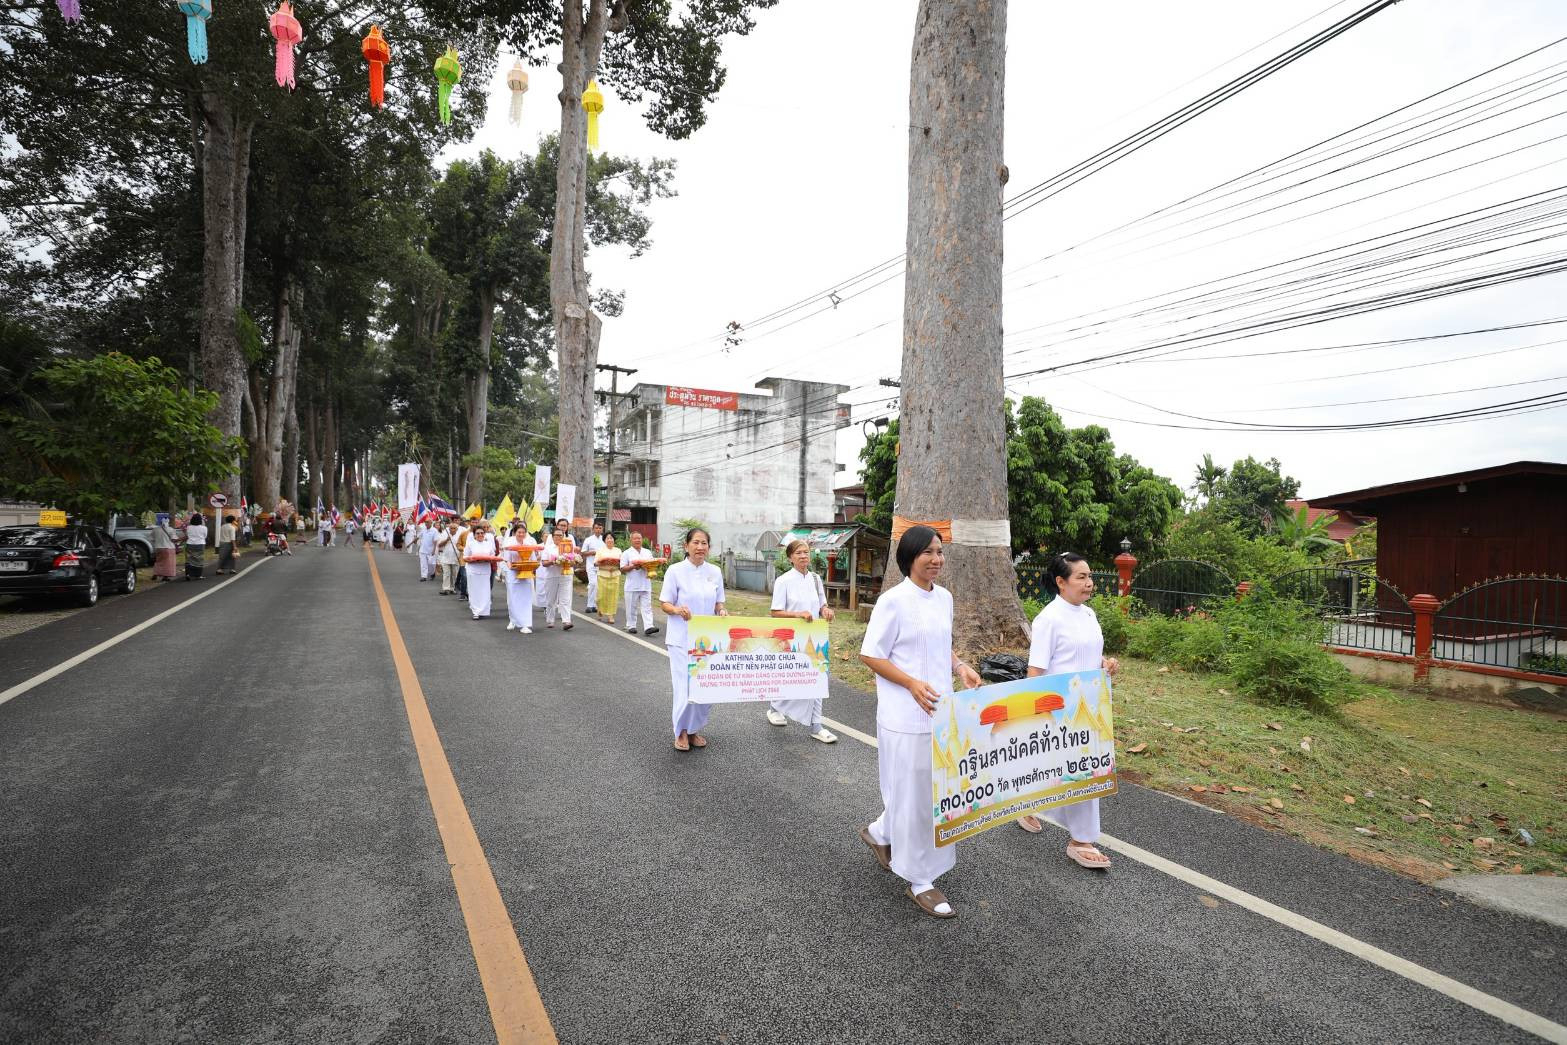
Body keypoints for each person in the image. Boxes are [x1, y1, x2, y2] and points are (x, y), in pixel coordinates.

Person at [858, 525, 982, 919]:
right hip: (903, 714)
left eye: (940, 551)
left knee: (934, 793)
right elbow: (871, 654)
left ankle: (880, 833)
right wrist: (910, 683)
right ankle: (920, 879)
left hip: (940, 713)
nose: (936, 559)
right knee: (915, 798)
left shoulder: (944, 598)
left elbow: (940, 644)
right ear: (909, 556)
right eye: (928, 551)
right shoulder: (892, 601)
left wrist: (960, 666)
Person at [1017, 552, 1120, 869]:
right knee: (1057, 768)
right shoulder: (1048, 618)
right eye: (1081, 577)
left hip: (1090, 707)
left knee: (1086, 771)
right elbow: (1035, 670)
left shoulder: (1089, 615)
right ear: (1061, 582)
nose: (1089, 583)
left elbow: (1090, 655)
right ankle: (1034, 806)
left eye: (1090, 577)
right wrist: (1035, 713)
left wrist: (1106, 664)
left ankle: (1081, 839)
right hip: (1059, 709)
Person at [765, 538, 838, 743]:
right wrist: (798, 615)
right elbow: (775, 612)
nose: (804, 556)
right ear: (790, 557)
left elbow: (822, 605)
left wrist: (826, 611)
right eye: (798, 553)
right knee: (788, 677)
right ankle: (774, 708)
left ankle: (816, 725)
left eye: (806, 552)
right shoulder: (783, 581)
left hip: (815, 638)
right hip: (790, 638)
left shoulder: (816, 579)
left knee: (818, 677)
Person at [660, 527, 726, 751]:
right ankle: (681, 731)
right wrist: (678, 610)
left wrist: (722, 611)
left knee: (703, 686)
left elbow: (719, 603)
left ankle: (695, 729)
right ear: (686, 546)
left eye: (704, 543)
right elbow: (665, 604)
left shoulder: (715, 571)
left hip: (707, 641)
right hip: (681, 638)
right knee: (684, 686)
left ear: (709, 547)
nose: (700, 547)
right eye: (696, 542)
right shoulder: (675, 571)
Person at [501, 521, 538, 634]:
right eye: (519, 532)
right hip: (513, 573)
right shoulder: (509, 542)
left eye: (523, 532)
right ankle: (513, 620)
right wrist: (512, 567)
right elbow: (507, 559)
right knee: (513, 598)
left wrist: (532, 567)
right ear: (514, 532)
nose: (521, 534)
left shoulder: (528, 544)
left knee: (525, 599)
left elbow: (532, 559)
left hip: (526, 573)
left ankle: (525, 624)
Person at [538, 522, 575, 630]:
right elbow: (544, 563)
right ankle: (550, 620)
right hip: (552, 576)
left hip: (566, 575)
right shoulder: (548, 548)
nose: (558, 537)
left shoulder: (568, 547)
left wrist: (572, 561)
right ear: (552, 537)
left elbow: (573, 561)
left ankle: (566, 621)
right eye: (556, 535)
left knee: (565, 599)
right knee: (551, 599)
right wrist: (554, 561)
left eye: (561, 535)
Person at [620, 530, 658, 635]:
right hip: (632, 585)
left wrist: (651, 568)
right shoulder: (626, 553)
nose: (638, 540)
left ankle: (649, 626)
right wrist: (633, 566)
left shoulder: (647, 552)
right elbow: (622, 568)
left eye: (639, 538)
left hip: (645, 583)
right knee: (632, 607)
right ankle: (631, 625)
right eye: (635, 538)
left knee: (647, 606)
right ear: (631, 540)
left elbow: (652, 563)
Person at [462, 519, 499, 620]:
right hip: (473, 571)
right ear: (474, 535)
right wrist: (474, 561)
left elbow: (492, 557)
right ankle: (475, 611)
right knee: (474, 591)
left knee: (484, 591)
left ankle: (483, 610)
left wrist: (487, 560)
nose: (480, 535)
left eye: (482, 533)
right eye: (478, 533)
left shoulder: (488, 544)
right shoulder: (470, 544)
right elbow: (465, 557)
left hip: (485, 571)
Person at [580, 521, 607, 615]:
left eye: (600, 528)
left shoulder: (604, 540)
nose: (598, 530)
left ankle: (594, 605)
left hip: (601, 566)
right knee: (593, 583)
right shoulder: (588, 540)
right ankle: (589, 605)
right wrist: (592, 553)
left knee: (598, 586)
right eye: (596, 528)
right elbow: (583, 553)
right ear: (593, 529)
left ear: (602, 529)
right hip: (591, 565)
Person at [593, 533, 621, 623]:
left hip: (615, 574)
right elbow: (595, 563)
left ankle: (610, 616)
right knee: (601, 596)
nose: (610, 540)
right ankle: (600, 608)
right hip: (602, 575)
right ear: (605, 540)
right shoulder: (600, 550)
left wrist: (616, 563)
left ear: (614, 540)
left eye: (611, 538)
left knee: (613, 596)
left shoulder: (618, 550)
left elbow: (623, 563)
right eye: (608, 538)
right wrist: (603, 562)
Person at [435, 519, 460, 595]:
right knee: (446, 574)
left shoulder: (459, 535)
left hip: (456, 557)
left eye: (454, 528)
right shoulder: (444, 534)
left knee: (454, 574)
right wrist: (446, 540)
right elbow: (439, 545)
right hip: (445, 557)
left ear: (457, 529)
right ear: (449, 529)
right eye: (451, 528)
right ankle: (446, 589)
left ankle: (452, 588)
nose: (452, 530)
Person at [151, 515, 179, 582]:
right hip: (168, 548)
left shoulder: (155, 529)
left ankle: (155, 574)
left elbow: (152, 539)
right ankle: (165, 576)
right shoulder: (171, 529)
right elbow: (174, 539)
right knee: (167, 563)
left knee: (158, 562)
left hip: (158, 548)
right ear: (168, 522)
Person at [184, 512, 209, 580]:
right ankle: (198, 575)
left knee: (189, 559)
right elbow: (205, 536)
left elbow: (187, 535)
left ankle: (188, 574)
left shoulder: (189, 527)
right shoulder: (204, 528)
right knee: (199, 559)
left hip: (190, 544)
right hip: (200, 544)